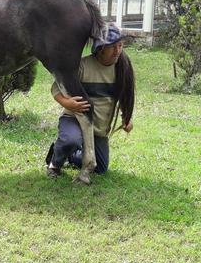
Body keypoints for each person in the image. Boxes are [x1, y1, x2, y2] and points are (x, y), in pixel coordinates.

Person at [46, 24, 135, 178]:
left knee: (100, 167)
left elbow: (125, 96)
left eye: (120, 45)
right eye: (113, 47)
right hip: (74, 118)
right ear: (100, 48)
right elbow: (56, 88)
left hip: (99, 127)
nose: (118, 51)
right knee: (71, 140)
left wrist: (126, 118)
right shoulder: (81, 66)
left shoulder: (122, 69)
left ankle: (70, 155)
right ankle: (55, 163)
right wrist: (67, 103)